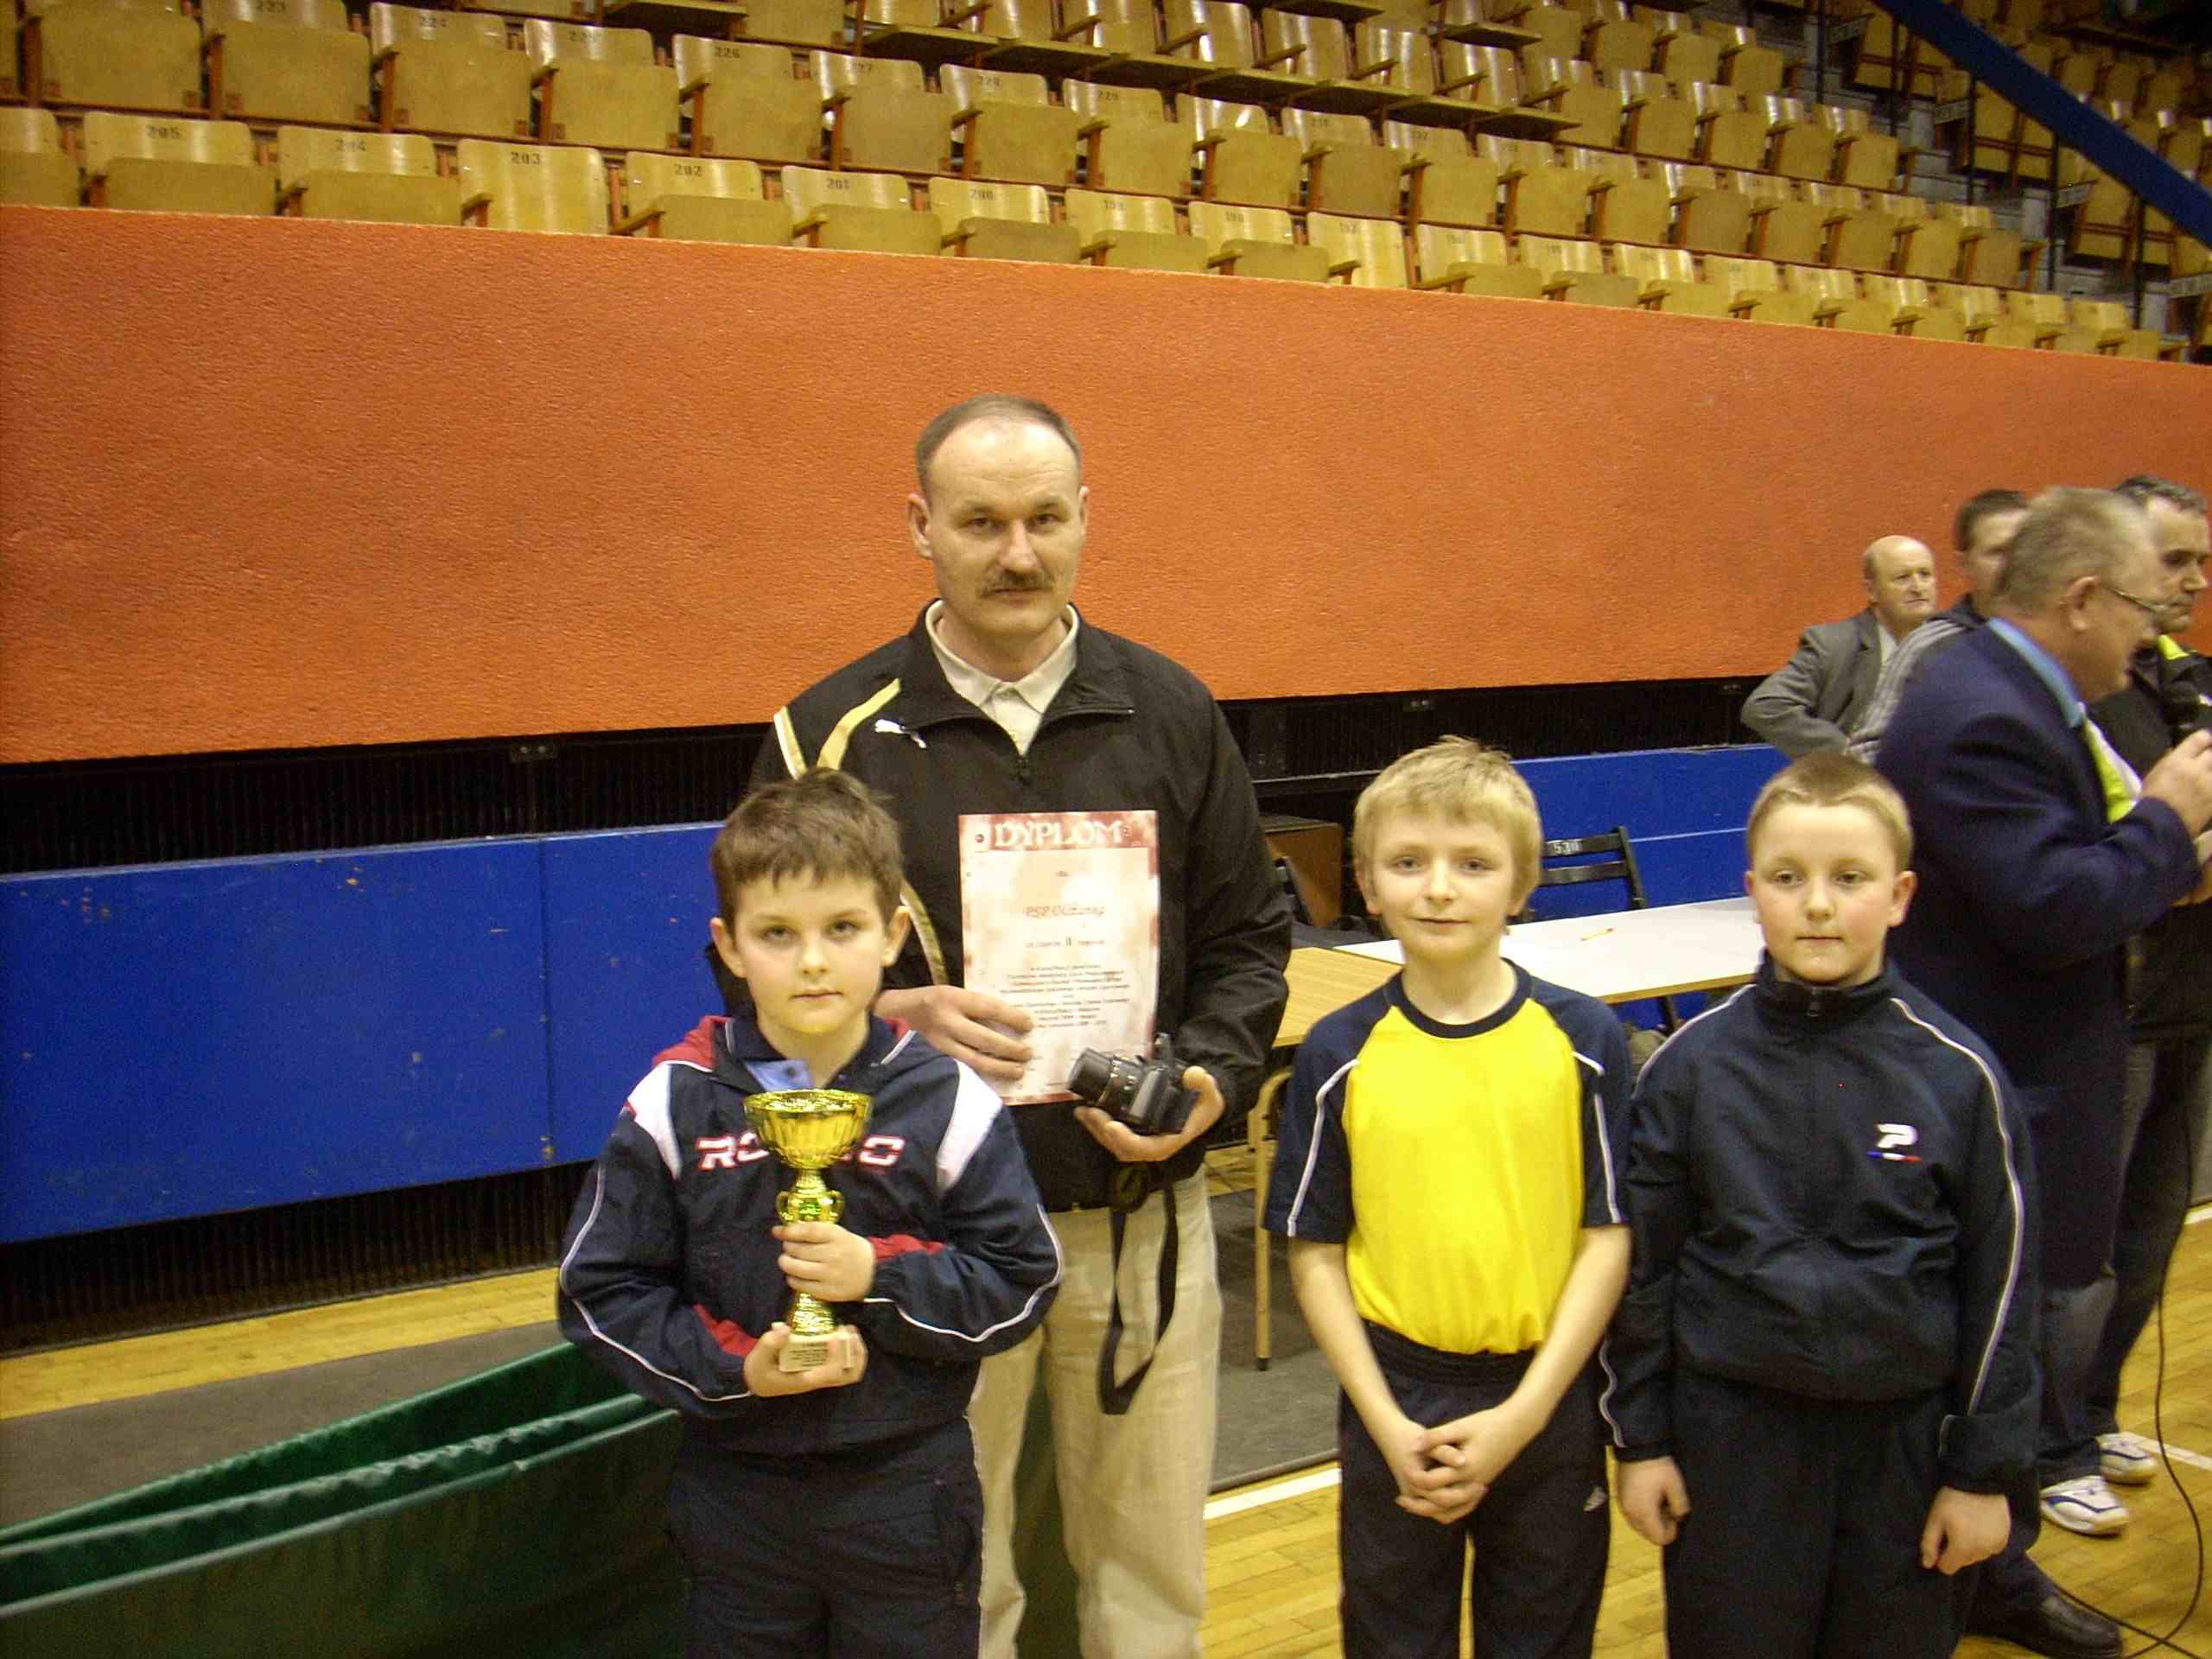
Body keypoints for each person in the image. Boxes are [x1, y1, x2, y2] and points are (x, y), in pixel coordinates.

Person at [736, 395, 1292, 1659]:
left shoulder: (1173, 710)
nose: (1019, 553)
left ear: (1086, 519)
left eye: (1045, 518)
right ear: (920, 527)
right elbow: (752, 985)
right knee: (951, 1576)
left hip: (1137, 1218)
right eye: (981, 523)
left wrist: (1210, 1078)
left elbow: (1250, 942)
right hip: (922, 1231)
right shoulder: (826, 734)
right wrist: (884, 1014)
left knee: (1150, 1578)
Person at [556, 767, 1063, 1658]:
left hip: (906, 1484)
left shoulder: (948, 1101)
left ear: (892, 934)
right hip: (736, 1487)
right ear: (729, 946)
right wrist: (738, 1368)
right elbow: (602, 1292)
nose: (814, 961)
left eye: (843, 928)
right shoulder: (676, 1100)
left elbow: (1021, 1280)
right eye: (778, 934)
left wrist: (878, 1276)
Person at [1878, 486, 2212, 1659]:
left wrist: (2157, 858)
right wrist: (2165, 821)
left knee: (2007, 1346)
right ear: (2080, 598)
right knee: (1988, 1346)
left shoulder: (2020, 694)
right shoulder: (1983, 712)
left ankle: (1988, 1566)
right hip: (1998, 1094)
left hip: (2028, 1076)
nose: (2154, 635)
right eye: (2144, 606)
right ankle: (1959, 1578)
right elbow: (2056, 908)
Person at [1608, 753, 2035, 1659]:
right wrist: (1640, 1442)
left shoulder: (1958, 1076)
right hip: (1732, 1448)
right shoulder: (1688, 1071)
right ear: (1750, 891)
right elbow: (1644, 1276)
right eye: (1787, 878)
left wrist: (1983, 1473)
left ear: (1900, 895)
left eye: (1849, 879)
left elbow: (2003, 1287)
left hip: (1903, 1453)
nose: (1816, 905)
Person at [1266, 738, 1630, 1659]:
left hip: (1547, 1399)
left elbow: (1607, 1238)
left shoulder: (1584, 1041)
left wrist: (1527, 1415)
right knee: (1393, 1638)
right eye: (1408, 863)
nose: (1438, 889)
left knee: (1543, 1637)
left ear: (1521, 884)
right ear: (1366, 883)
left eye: (1472, 864)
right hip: (1396, 1398)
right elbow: (1314, 1252)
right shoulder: (1338, 1052)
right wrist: (1386, 1423)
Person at [2082, 475, 2212, 1503]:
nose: (2194, 581)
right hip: (2112, 1011)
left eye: (2203, 562)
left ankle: (2094, 1410)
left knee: (2153, 1230)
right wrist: (2173, 854)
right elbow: (2111, 858)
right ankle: (2046, 1443)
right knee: (2082, 1247)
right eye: (2175, 560)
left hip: (2194, 1001)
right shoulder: (2088, 698)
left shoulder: (2192, 684)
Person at [1847, 489, 2031, 763]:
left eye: (2023, 549)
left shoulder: (2066, 639)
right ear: (1965, 564)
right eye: (1997, 552)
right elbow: (1867, 751)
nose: (2013, 564)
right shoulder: (1929, 648)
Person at [1741, 534, 1936, 755]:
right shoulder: (1833, 645)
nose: (1918, 587)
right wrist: (1846, 754)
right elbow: (1765, 706)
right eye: (1902, 578)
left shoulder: (1953, 642)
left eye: (1925, 574)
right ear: (1871, 591)